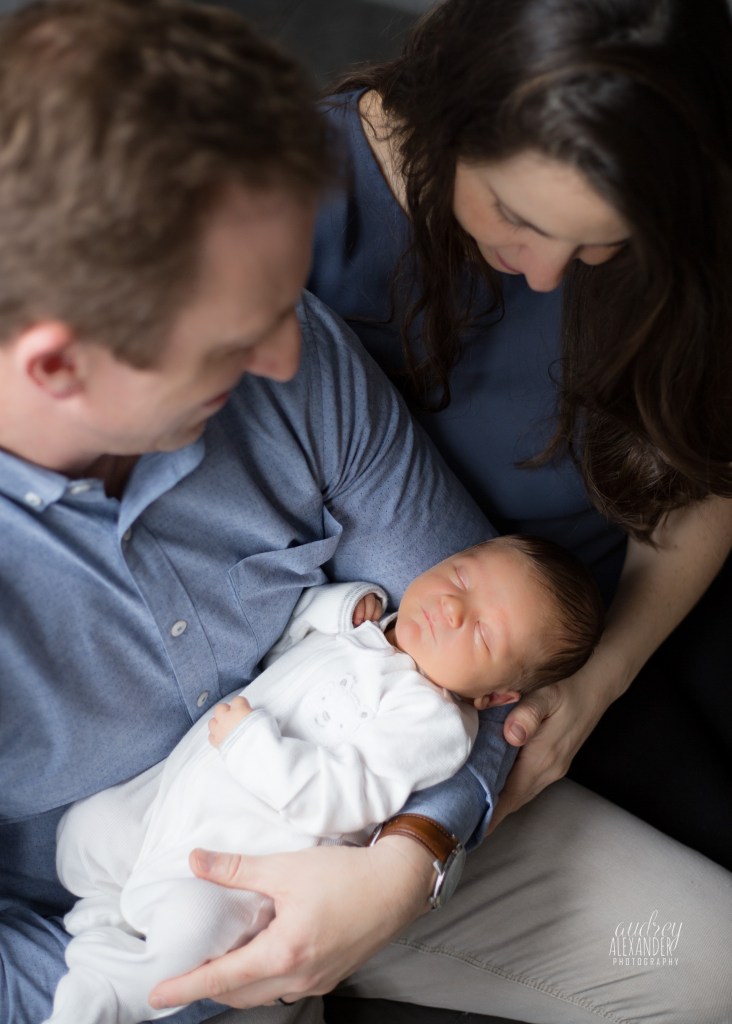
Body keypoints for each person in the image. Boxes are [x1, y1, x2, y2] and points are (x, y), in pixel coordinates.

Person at [0, 2, 729, 1024]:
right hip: (100, 926)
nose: (292, 356)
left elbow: (481, 649)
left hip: (379, 800)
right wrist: (196, 986)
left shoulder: (292, 343)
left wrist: (411, 859)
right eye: (237, 344)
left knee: (707, 959)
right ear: (58, 368)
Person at [306, 0, 732, 866]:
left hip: (644, 597)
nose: (546, 276)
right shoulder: (291, 203)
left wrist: (601, 680)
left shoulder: (679, 197)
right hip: (449, 664)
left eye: (598, 246)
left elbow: (704, 471)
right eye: (520, 219)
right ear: (449, 115)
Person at [46, 536, 603, 1024]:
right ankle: (100, 918)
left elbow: (345, 797)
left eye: (482, 634)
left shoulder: (432, 721)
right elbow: (282, 635)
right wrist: (341, 605)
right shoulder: (365, 628)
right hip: (174, 796)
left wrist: (251, 745)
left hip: (233, 861)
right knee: (89, 828)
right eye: (461, 576)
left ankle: (97, 997)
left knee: (191, 933)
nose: (453, 608)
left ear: (496, 696)